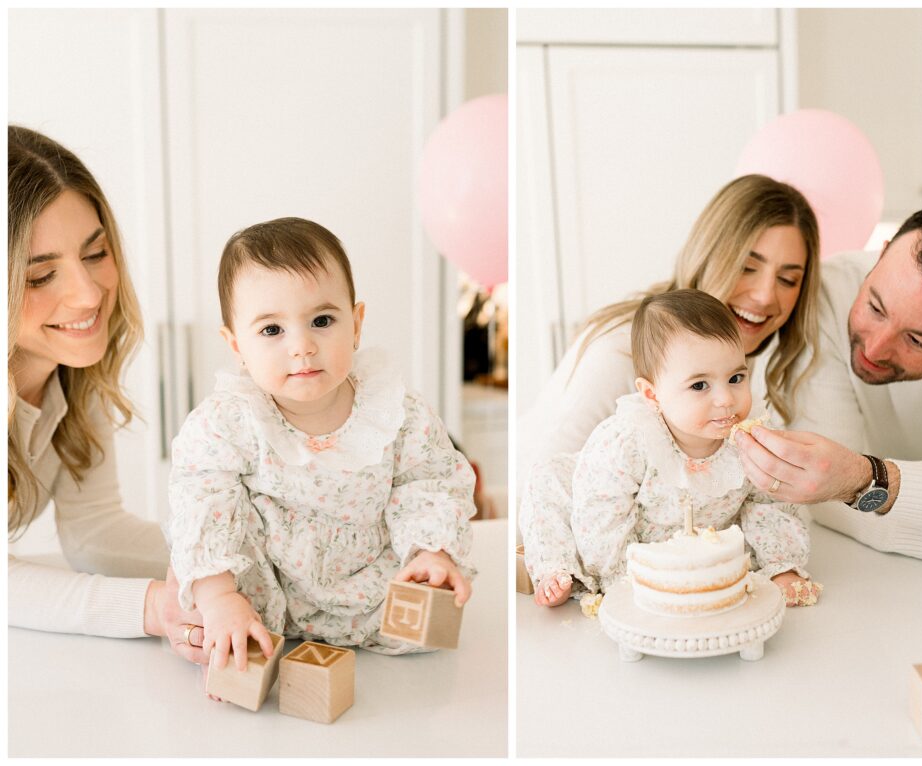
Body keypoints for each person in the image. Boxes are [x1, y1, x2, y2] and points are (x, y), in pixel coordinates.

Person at [166, 217, 476, 676]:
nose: (303, 346)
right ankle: (236, 623)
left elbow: (427, 482)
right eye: (272, 330)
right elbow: (202, 504)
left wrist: (431, 551)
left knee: (425, 640)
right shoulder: (227, 422)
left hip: (368, 584)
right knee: (217, 589)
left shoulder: (397, 412)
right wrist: (219, 599)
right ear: (236, 346)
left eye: (322, 320)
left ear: (356, 324)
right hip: (266, 590)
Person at [734, 201, 922, 585]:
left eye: (916, 340)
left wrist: (863, 478)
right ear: (880, 256)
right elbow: (822, 492)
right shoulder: (828, 289)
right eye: (875, 307)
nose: (875, 348)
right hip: (872, 572)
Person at [7, 125, 205, 660]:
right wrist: (156, 608)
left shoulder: (74, 372)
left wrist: (227, 557)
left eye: (95, 254)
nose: (88, 293)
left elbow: (94, 533)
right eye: (41, 275)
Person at [519, 290, 822, 608]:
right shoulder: (628, 442)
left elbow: (769, 505)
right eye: (700, 385)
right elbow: (600, 517)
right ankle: (556, 568)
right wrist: (621, 580)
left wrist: (781, 566)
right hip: (591, 512)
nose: (726, 399)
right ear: (652, 395)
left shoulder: (750, 441)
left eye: (735, 378)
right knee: (546, 479)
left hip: (685, 545)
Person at [517, 174, 821, 488]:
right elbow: (538, 485)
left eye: (787, 280)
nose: (765, 296)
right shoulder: (621, 352)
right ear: (708, 256)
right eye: (746, 267)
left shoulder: (740, 355)